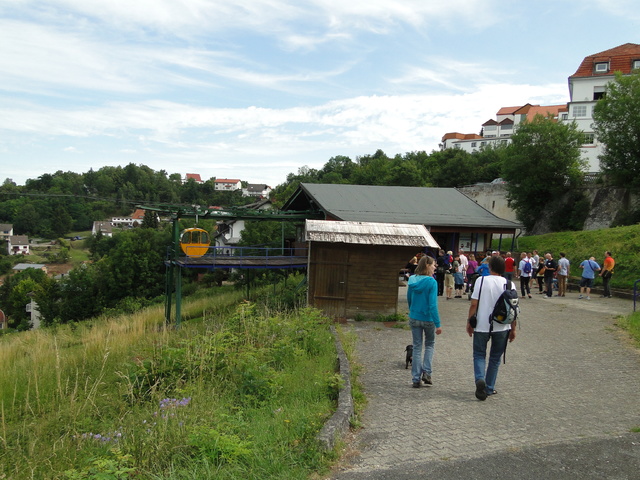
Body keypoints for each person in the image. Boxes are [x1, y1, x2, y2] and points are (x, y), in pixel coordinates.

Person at [466, 255, 516, 400]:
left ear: (490, 267)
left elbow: (474, 304)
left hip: (482, 325)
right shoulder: (509, 284)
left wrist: (469, 322)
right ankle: (488, 387)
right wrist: (513, 329)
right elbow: (514, 308)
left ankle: (479, 379)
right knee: (495, 358)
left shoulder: (481, 281)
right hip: (502, 326)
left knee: (479, 355)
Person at [407, 256, 442, 388]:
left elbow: (409, 299)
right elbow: (432, 305)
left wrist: (413, 312)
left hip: (414, 317)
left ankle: (416, 378)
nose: (435, 267)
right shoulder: (432, 282)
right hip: (428, 319)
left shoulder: (412, 279)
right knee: (429, 345)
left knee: (417, 347)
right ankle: (427, 372)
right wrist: (438, 324)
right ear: (427, 265)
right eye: (433, 265)